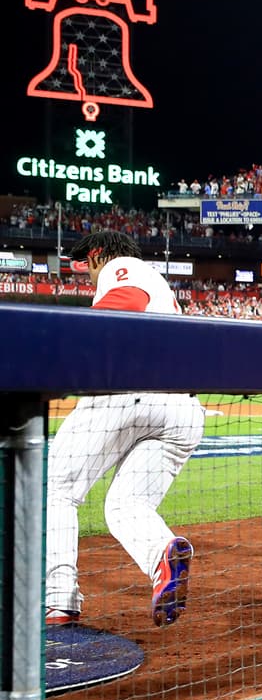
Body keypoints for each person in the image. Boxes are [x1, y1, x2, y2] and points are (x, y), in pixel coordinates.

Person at [46, 230, 206, 627]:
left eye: (86, 262)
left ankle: (59, 600)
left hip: (129, 394)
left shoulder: (122, 267)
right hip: (182, 411)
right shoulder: (159, 283)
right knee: (125, 506)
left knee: (59, 491)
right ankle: (162, 555)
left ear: (98, 255)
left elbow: (124, 304)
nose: (84, 273)